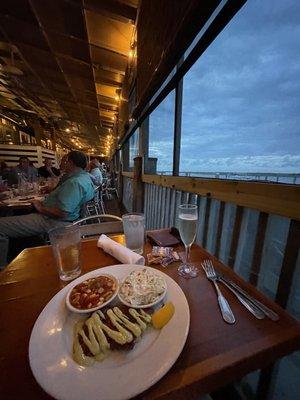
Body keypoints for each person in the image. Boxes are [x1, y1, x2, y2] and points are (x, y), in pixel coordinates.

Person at [0, 151, 95, 268]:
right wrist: (53, 192)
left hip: (54, 221)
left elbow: (63, 213)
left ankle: (3, 270)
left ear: (70, 162)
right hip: (65, 219)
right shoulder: (83, 177)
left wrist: (40, 207)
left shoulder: (74, 182)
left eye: (63, 161)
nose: (61, 163)